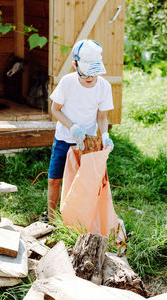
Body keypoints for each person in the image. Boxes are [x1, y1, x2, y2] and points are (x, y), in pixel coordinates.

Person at [47, 39, 114, 220]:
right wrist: (72, 127)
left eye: (94, 73)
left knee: (83, 183)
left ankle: (78, 219)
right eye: (86, 73)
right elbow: (55, 110)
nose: (90, 77)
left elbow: (101, 117)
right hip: (63, 139)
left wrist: (105, 135)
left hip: (87, 143)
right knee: (54, 179)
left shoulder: (104, 87)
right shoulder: (67, 83)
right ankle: (52, 219)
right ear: (75, 64)